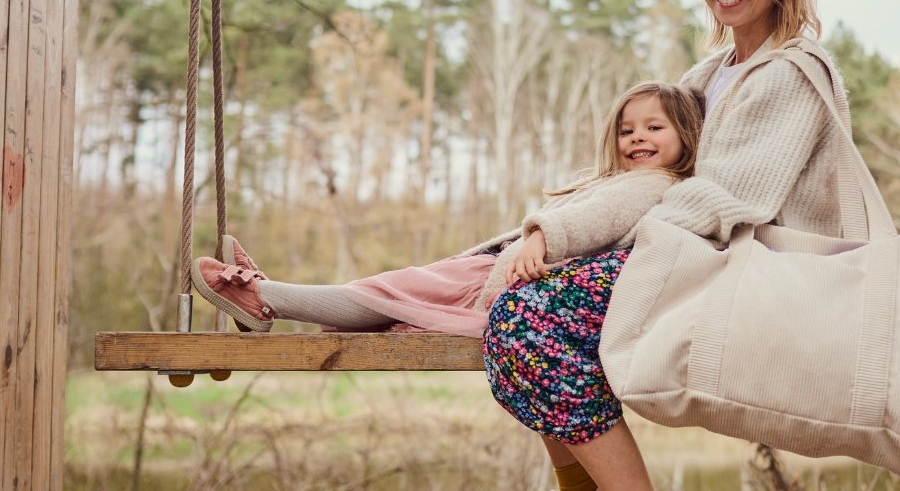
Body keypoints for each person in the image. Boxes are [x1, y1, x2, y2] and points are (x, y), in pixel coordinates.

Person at [483, 0, 843, 491]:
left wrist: (598, 245)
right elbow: (644, 178)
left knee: (535, 324)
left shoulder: (795, 73)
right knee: (513, 309)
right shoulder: (708, 77)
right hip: (687, 253)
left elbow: (724, 196)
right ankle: (582, 490)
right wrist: (550, 231)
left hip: (747, 264)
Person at [189, 80, 706, 342]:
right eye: (627, 129)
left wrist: (540, 238)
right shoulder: (628, 181)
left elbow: (589, 223)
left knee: (384, 293)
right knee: (388, 294)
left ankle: (264, 297)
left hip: (501, 280)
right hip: (494, 272)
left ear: (686, 135)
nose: (637, 137)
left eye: (654, 127)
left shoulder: (649, 186)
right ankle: (270, 297)